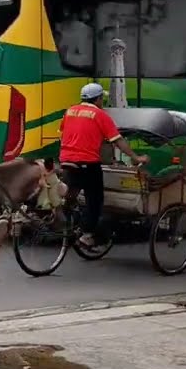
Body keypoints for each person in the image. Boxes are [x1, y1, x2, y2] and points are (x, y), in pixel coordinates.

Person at [59, 82, 149, 247]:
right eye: (102, 98)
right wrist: (136, 158)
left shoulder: (70, 111)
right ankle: (87, 234)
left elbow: (64, 134)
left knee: (71, 194)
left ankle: (66, 218)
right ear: (98, 98)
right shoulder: (99, 115)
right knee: (94, 198)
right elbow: (118, 140)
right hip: (87, 163)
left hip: (66, 160)